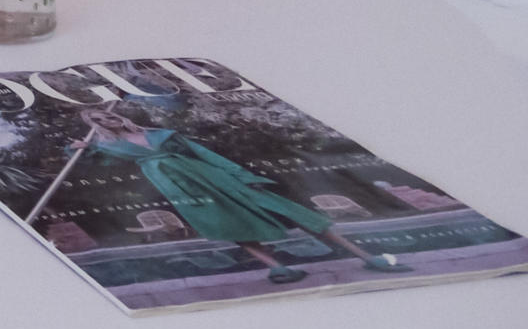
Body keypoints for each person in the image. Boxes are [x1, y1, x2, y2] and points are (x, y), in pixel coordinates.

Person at [73, 105, 413, 285]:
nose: (107, 119)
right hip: (179, 186)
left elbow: (203, 153)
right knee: (228, 222)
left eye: (108, 113)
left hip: (214, 176)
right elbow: (88, 163)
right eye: (98, 118)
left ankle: (368, 257)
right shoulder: (108, 147)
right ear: (97, 125)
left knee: (292, 211)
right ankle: (278, 268)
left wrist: (242, 175)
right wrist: (79, 148)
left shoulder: (162, 134)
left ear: (118, 114)